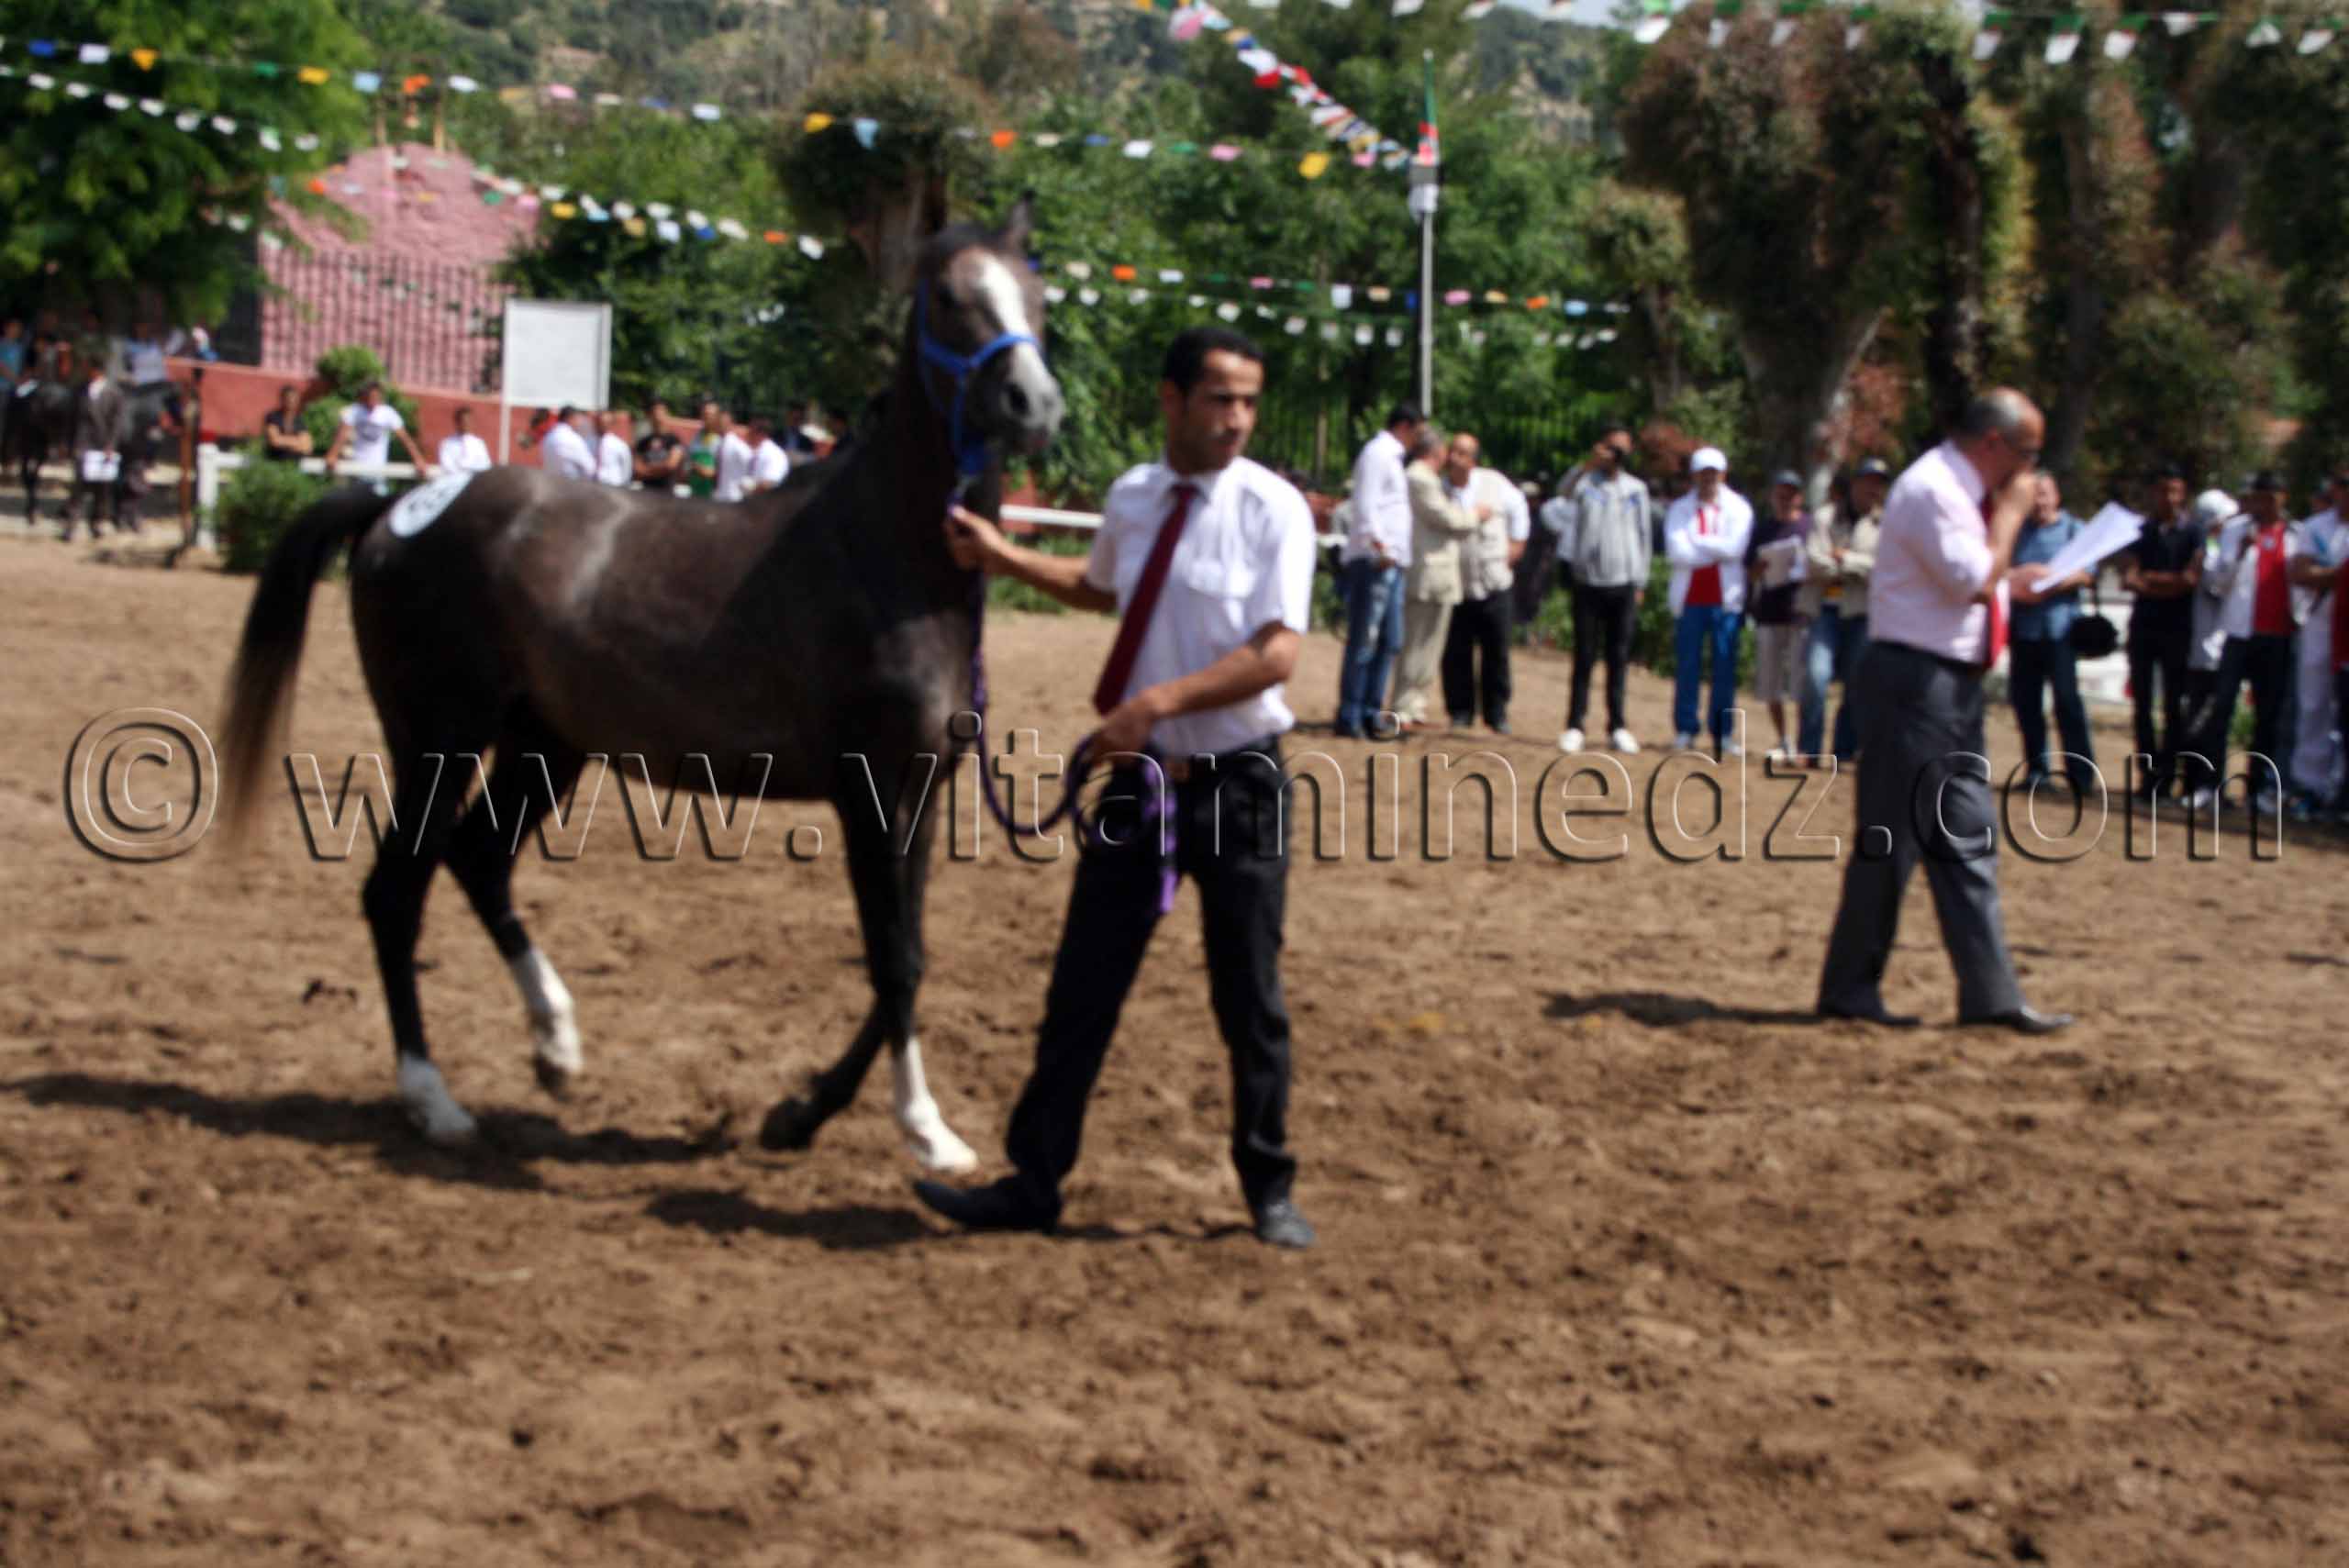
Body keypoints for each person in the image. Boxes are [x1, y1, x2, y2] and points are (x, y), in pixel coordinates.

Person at [913, 325, 1320, 1250]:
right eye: (1219, 399)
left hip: (1238, 781)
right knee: (1081, 987)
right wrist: (1002, 556)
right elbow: (1107, 589)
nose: (1237, 420)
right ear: (1170, 400)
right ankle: (1034, 1179)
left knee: (1247, 992)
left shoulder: (1274, 509)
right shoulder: (1135, 498)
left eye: (1248, 401)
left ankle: (1268, 1183)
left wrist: (1156, 703)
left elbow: (1277, 652)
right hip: (1138, 783)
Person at [1816, 388, 2072, 1035]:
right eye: (2027, 453)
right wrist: (2012, 519)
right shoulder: (1935, 489)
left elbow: (1972, 582)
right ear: (1994, 443)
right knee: (1898, 841)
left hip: (1940, 681)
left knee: (1957, 836)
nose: (2031, 471)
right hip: (1915, 680)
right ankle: (1855, 987)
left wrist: (2019, 579)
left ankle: (1987, 993)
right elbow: (1969, 579)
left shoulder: (1953, 491)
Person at [2190, 472, 2300, 814]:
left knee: (2267, 717)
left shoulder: (2297, 535)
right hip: (2238, 635)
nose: (2261, 504)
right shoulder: (2236, 530)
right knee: (2221, 710)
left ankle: (2256, 789)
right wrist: (2238, 554)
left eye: (2269, 497)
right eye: (2256, 497)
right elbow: (2217, 583)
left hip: (2278, 636)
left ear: (2282, 498)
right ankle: (2211, 785)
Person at [1553, 425, 1652, 755]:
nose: (1616, 455)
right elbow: (1562, 492)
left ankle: (1618, 725)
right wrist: (1587, 464)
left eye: (1621, 450)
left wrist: (1640, 579)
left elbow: (1644, 537)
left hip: (1622, 582)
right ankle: (1575, 725)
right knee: (1584, 655)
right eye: (1611, 448)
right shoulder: (1585, 484)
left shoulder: (1635, 489)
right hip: (1588, 582)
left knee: (1618, 657)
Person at [1334, 404, 1424, 738]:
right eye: (1417, 431)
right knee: (1366, 639)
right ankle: (1351, 713)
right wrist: (1379, 545)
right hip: (1377, 560)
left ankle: (1371, 710)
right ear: (1405, 426)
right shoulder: (1377, 454)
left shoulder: (1392, 458)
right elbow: (1365, 503)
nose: (1419, 439)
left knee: (1389, 640)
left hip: (1392, 561)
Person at [2115, 462, 2202, 801]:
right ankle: (2147, 775)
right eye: (2163, 490)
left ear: (2183, 494)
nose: (2168, 497)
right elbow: (2129, 578)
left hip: (2177, 629)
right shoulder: (2141, 530)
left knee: (2173, 706)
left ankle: (2169, 775)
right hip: (2144, 628)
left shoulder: (2193, 532)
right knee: (2142, 706)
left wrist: (2150, 580)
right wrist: (2169, 582)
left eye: (2175, 491)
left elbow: (2189, 580)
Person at [2006, 472, 2096, 795]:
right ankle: (2037, 771)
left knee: (2067, 703)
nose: (2040, 502)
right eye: (2034, 496)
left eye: (2044, 494)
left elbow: (2088, 574)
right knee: (2026, 703)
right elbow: (2002, 569)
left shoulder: (2075, 530)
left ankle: (2080, 775)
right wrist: (2024, 579)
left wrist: (2049, 581)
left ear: (2056, 496)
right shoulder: (2017, 533)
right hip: (2024, 630)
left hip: (2061, 630)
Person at [1389, 431, 1486, 731]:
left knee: (1431, 644)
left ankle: (1415, 704)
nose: (1449, 457)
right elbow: (1447, 518)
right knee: (1417, 641)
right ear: (1435, 450)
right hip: (1428, 570)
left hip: (1440, 573)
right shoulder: (1419, 478)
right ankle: (1403, 706)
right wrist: (1475, 515)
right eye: (1447, 450)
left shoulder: (1427, 479)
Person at [1663, 447, 1753, 756]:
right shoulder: (1679, 510)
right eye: (1703, 473)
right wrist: (1715, 549)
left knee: (1724, 665)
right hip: (1690, 599)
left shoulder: (1739, 508)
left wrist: (1698, 544)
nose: (1708, 479)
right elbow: (1678, 553)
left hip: (1725, 599)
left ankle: (1723, 733)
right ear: (1694, 476)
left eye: (1713, 473)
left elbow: (1735, 548)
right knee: (1688, 664)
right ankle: (1686, 727)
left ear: (1723, 475)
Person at [1798, 455, 1885, 765]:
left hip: (1861, 613)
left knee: (1856, 684)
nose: (1873, 491)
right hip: (1823, 610)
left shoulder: (1883, 525)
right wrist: (1856, 567)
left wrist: (1844, 560)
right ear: (1855, 485)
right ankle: (1809, 749)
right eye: (1868, 483)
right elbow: (1813, 560)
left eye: (1879, 485)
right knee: (1815, 677)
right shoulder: (1824, 517)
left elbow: (1883, 568)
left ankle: (1844, 751)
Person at [1442, 445, 1527, 735]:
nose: (1455, 458)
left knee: (1497, 650)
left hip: (1494, 581)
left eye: (1462, 453)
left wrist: (1517, 544)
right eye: (1452, 452)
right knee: (1456, 652)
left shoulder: (1494, 482)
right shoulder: (1439, 489)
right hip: (1456, 583)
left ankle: (1497, 713)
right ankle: (1460, 712)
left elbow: (1520, 510)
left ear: (1473, 460)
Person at [2287, 466, 2347, 816]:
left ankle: (2342, 790)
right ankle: (2309, 785)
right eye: (2342, 486)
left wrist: (2327, 576)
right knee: (2314, 706)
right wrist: (2340, 576)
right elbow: (2300, 572)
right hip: (2321, 625)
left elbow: (2316, 573)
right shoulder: (2315, 528)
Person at [1743, 471, 1811, 762]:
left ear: (1800, 497)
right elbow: (1749, 570)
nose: (1785, 500)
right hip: (1768, 612)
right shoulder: (1762, 530)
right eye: (1780, 494)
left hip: (1800, 612)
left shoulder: (1810, 527)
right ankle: (1783, 740)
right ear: (1772, 497)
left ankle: (1801, 741)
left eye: (1791, 494)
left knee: (1801, 683)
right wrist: (1760, 568)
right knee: (1770, 682)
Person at [323, 381, 431, 491]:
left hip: (378, 471)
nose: (373, 400)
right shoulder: (354, 411)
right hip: (356, 469)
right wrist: (332, 455)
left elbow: (405, 438)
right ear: (363, 397)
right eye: (370, 397)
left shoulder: (388, 413)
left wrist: (418, 459)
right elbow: (342, 435)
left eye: (376, 397)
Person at [66, 344, 126, 540]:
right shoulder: (80, 391)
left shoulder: (114, 393)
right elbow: (73, 419)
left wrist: (111, 445)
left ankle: (97, 521)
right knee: (78, 485)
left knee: (102, 488)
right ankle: (73, 522)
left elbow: (117, 423)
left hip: (102, 444)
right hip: (83, 442)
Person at [634, 399, 686, 491]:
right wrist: (661, 469)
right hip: (646, 493)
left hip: (667, 493)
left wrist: (648, 469)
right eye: (654, 411)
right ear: (649, 415)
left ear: (666, 414)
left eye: (661, 411)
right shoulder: (643, 442)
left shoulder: (674, 440)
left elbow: (671, 465)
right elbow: (638, 469)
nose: (658, 415)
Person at [536, 405, 597, 482]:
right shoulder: (573, 439)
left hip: (550, 485)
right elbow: (590, 467)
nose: (579, 422)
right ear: (571, 418)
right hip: (571, 486)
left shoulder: (548, 437)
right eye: (577, 419)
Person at [262, 384, 312, 464]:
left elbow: (307, 446)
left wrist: (284, 441)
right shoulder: (273, 417)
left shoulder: (299, 421)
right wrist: (298, 442)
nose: (292, 402)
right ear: (283, 399)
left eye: (295, 399)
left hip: (293, 465)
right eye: (289, 399)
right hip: (274, 463)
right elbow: (275, 441)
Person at [713, 409, 756, 503]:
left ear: (730, 424)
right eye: (718, 422)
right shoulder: (719, 443)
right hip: (720, 495)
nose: (720, 425)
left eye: (723, 423)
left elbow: (751, 463)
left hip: (734, 496)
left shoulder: (737, 446)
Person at [437, 406, 494, 474]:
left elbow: (486, 464)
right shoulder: (447, 443)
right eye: (464, 422)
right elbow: (447, 466)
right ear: (457, 423)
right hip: (454, 480)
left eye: (469, 421)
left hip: (475, 479)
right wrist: (461, 474)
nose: (467, 424)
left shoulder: (479, 443)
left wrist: (465, 466)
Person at [746, 415, 791, 495]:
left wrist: (749, 489)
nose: (747, 435)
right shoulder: (752, 450)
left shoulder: (775, 455)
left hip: (764, 502)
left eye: (751, 432)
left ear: (761, 434)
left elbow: (769, 483)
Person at [596, 410, 635, 487]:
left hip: (614, 485)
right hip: (597, 484)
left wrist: (623, 483)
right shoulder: (595, 441)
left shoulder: (619, 444)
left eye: (606, 423)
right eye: (601, 423)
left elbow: (627, 468)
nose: (603, 426)